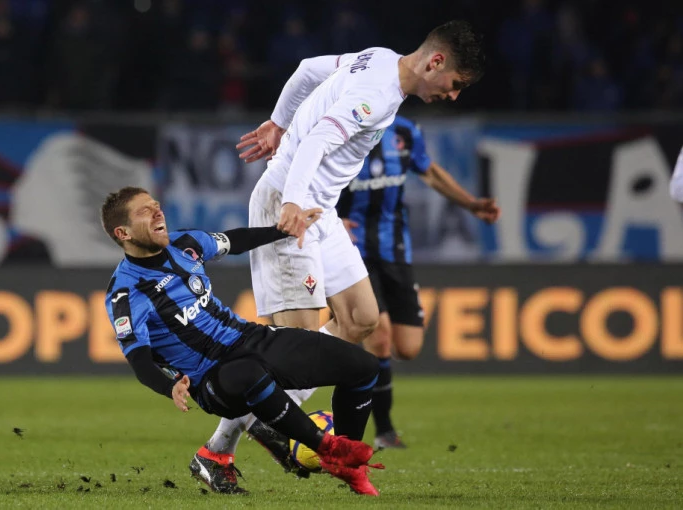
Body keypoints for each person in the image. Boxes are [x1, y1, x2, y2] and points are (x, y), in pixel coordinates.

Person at [195, 20, 497, 489]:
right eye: (455, 84)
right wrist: (292, 200)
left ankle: (265, 420)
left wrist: (278, 121)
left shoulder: (378, 57)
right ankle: (219, 450)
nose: (453, 95)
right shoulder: (378, 95)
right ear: (435, 62)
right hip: (289, 207)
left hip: (321, 209)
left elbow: (307, 68)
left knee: (361, 319)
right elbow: (317, 140)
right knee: (297, 348)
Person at [101, 187, 385, 496]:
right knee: (248, 373)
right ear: (123, 233)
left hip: (249, 339)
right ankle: (328, 448)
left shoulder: (186, 244)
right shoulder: (126, 293)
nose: (158, 212)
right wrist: (169, 387)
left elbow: (233, 241)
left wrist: (282, 230)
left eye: (156, 205)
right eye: (145, 211)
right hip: (211, 379)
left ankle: (349, 465)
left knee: (363, 367)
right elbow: (140, 361)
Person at [336, 115, 501, 449]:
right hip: (352, 253)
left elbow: (431, 173)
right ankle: (384, 431)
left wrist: (471, 204)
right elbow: (310, 182)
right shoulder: (339, 130)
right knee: (379, 336)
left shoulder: (405, 132)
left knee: (408, 348)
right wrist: (331, 218)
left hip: (395, 250)